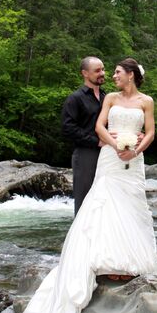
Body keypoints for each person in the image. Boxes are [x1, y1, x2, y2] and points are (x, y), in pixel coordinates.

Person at [13, 57, 157, 313]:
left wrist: (134, 149)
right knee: (102, 204)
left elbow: (150, 132)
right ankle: (105, 259)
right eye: (106, 71)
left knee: (131, 204)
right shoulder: (108, 98)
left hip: (133, 161)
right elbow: (97, 126)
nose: (111, 75)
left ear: (131, 75)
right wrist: (115, 145)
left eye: (116, 72)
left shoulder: (146, 101)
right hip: (109, 156)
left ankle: (130, 259)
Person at [61, 56, 106, 216]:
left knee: (105, 200)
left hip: (108, 154)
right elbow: (68, 128)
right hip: (85, 154)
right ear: (85, 73)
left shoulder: (107, 97)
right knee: (84, 200)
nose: (102, 73)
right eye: (97, 70)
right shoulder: (75, 98)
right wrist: (96, 142)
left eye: (103, 69)